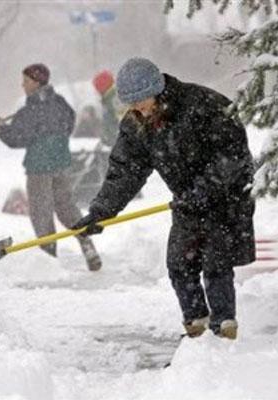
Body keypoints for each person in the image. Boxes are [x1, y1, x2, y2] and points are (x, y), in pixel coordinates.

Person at [72, 58, 255, 339]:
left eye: (141, 100)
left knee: (216, 263)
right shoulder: (137, 123)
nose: (136, 108)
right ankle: (197, 327)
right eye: (131, 102)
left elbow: (233, 155)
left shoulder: (203, 104)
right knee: (180, 264)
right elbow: (125, 171)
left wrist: (204, 190)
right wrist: (101, 212)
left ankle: (224, 328)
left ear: (156, 90)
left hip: (224, 198)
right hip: (186, 203)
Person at [0, 63, 102, 271]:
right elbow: (69, 124)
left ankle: (49, 258)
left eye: (26, 81)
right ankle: (87, 245)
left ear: (37, 82)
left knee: (41, 212)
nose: (22, 85)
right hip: (61, 165)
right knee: (67, 208)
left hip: (39, 168)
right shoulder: (60, 103)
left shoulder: (30, 111)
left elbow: (15, 138)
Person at [92, 70, 121, 147]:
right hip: (112, 141)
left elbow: (123, 119)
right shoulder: (107, 99)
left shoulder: (114, 99)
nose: (96, 91)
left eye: (97, 87)